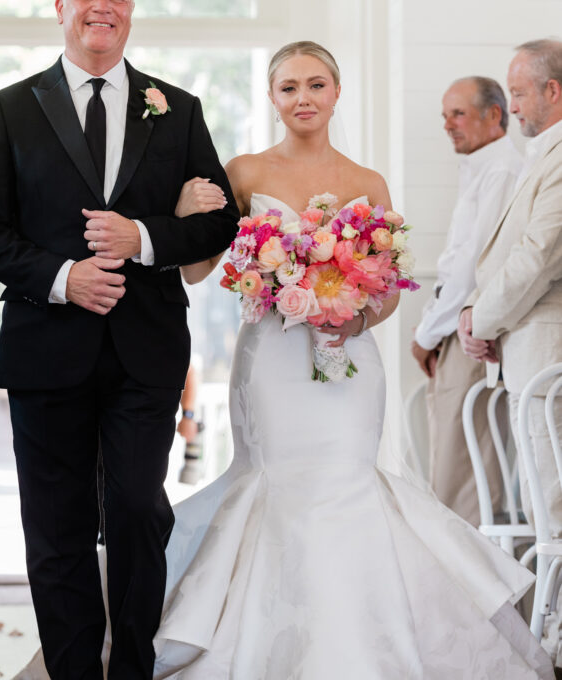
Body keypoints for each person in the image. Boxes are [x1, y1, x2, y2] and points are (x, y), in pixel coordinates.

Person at [149, 41, 551, 679]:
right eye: (288, 88)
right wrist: (181, 214)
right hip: (274, 361)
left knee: (348, 484)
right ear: (273, 96)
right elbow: (198, 271)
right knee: (277, 485)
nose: (302, 99)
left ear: (336, 93)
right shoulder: (245, 171)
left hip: (349, 364)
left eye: (315, 85)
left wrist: (352, 317)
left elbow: (389, 290)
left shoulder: (368, 183)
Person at [0, 0, 239, 680]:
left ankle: (132, 668)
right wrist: (62, 278)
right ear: (60, 8)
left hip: (145, 353)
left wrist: (144, 237)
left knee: (139, 510)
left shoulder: (176, 109)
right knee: (56, 528)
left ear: (131, 9)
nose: (102, 7)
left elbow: (219, 223)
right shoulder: (12, 109)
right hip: (45, 344)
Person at [459, 37, 562, 670]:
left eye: (520, 92)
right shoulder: (538, 154)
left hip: (545, 352)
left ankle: (551, 641)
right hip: (522, 350)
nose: (513, 104)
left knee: (554, 508)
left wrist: (480, 317)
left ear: (554, 91)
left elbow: (537, 256)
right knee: (543, 505)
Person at [412, 76, 522, 525]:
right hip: (453, 331)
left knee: (461, 476)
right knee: (448, 466)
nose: (447, 125)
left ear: (494, 115)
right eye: (444, 115)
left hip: (470, 332)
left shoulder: (502, 170)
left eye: (457, 113)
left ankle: (468, 591)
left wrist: (424, 336)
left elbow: (473, 269)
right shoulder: (482, 168)